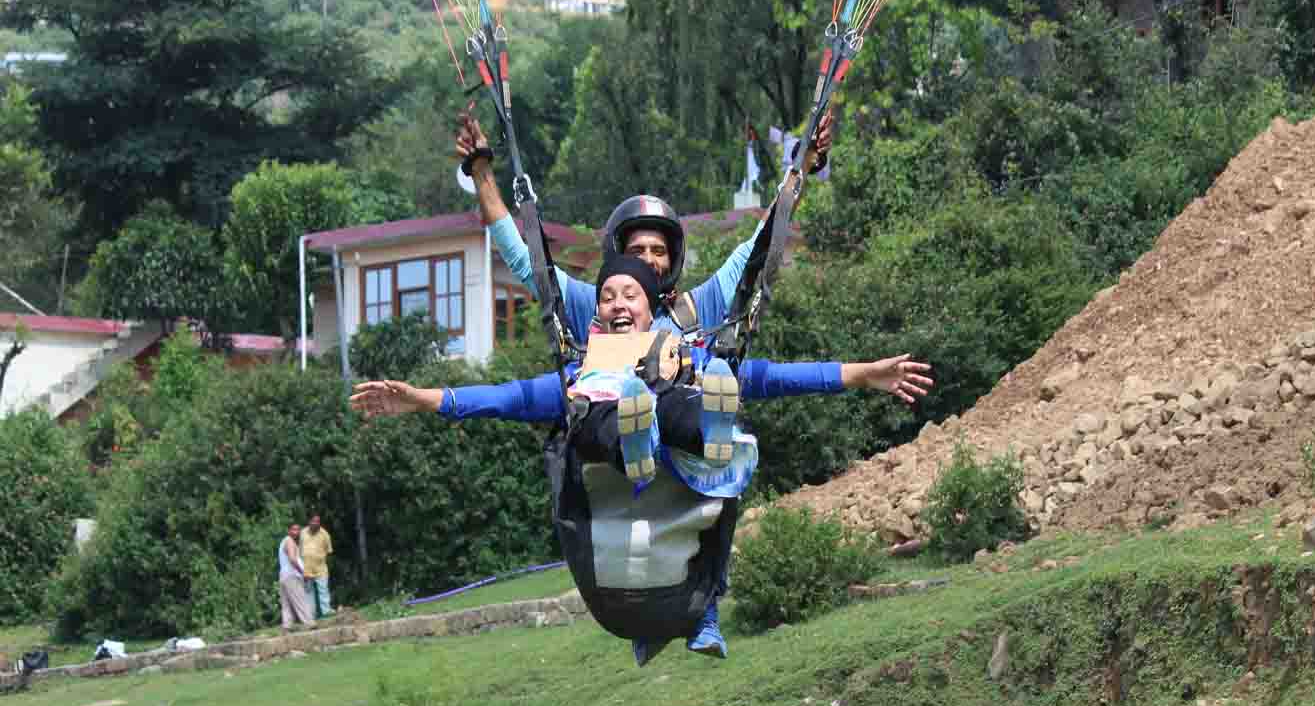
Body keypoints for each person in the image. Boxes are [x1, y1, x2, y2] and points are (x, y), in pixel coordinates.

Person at [350, 258, 931, 663]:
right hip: (610, 443)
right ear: (596, 317)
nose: (616, 302)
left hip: (673, 424)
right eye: (607, 296)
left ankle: (712, 438)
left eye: (629, 294)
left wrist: (860, 374)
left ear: (653, 309)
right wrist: (427, 399)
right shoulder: (581, 368)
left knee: (690, 396)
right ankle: (643, 444)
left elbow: (771, 377)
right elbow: (507, 399)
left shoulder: (683, 352)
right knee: (593, 417)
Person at [454, 109, 832, 348]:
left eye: (658, 251)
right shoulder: (592, 307)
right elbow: (527, 259)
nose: (649, 260)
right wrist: (482, 172)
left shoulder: (702, 307)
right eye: (637, 252)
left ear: (673, 259)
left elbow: (762, 242)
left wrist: (804, 164)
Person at [278, 523, 314, 630]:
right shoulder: (289, 541)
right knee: (300, 599)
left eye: (298, 530)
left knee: (286, 604)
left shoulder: (283, 542)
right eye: (293, 529)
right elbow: (292, 559)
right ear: (289, 530)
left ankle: (287, 625)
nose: (296, 532)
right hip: (291, 575)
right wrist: (302, 572)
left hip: (283, 576)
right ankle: (309, 622)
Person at [299, 514, 334, 619]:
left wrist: (321, 561)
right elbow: (299, 550)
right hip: (306, 569)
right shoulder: (303, 533)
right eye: (313, 521)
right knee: (309, 593)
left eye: (317, 521)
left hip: (320, 569)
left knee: (323, 591)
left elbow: (329, 552)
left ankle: (326, 612)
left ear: (319, 523)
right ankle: (311, 616)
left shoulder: (325, 535)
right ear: (309, 522)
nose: (315, 523)